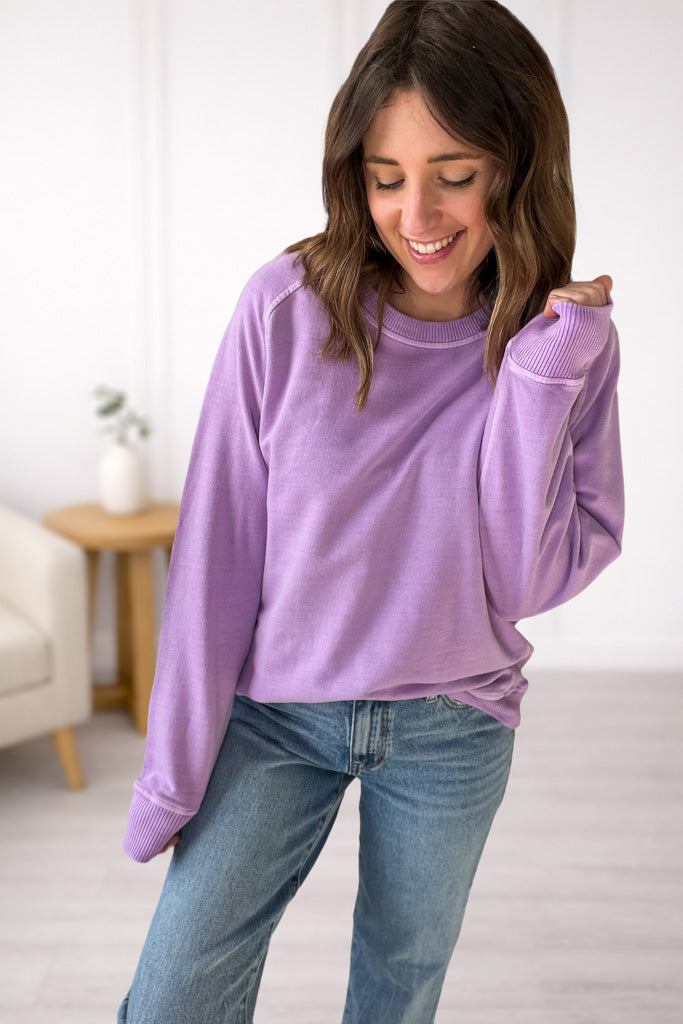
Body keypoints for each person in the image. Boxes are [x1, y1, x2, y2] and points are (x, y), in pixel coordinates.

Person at [118, 2, 624, 1021]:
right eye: (385, 177)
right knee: (174, 994)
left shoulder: (561, 345)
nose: (416, 213)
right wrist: (173, 771)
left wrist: (534, 383)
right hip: (275, 715)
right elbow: (217, 554)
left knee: (397, 992)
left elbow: (524, 582)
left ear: (516, 166)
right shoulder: (284, 308)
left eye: (454, 174)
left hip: (452, 724)